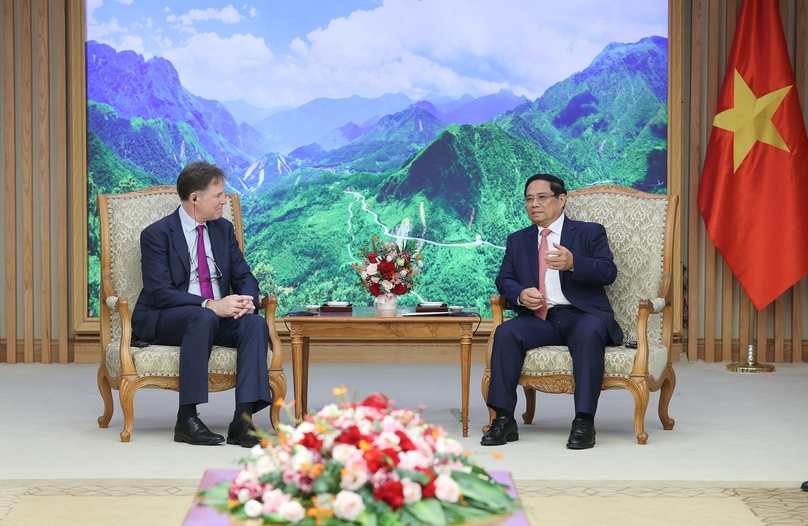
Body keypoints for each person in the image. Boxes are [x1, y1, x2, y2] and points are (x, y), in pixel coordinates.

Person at [131, 161, 271, 447]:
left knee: (254, 325)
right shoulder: (157, 235)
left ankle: (243, 421)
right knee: (202, 317)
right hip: (166, 318)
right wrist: (210, 303)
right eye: (218, 195)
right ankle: (187, 419)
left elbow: (244, 275)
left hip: (214, 316)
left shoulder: (222, 229)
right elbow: (159, 292)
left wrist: (247, 301)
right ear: (195, 198)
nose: (225, 200)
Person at [482, 173, 623, 449]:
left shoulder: (588, 232)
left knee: (588, 331)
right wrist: (520, 294)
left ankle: (584, 421)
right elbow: (504, 280)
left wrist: (574, 262)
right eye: (529, 199)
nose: (534, 204)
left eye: (542, 197)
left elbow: (608, 272)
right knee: (506, 332)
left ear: (561, 200)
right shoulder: (517, 240)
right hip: (540, 318)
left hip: (582, 315)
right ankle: (504, 418)